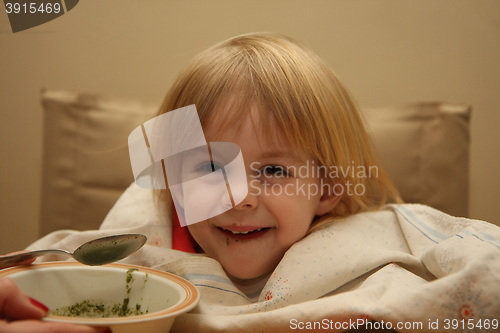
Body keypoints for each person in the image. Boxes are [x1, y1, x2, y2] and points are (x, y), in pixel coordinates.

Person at [1, 33, 499, 332]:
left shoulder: (376, 257)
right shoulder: (138, 247)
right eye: (209, 169)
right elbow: (44, 272)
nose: (237, 197)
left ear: (326, 187)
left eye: (276, 170)